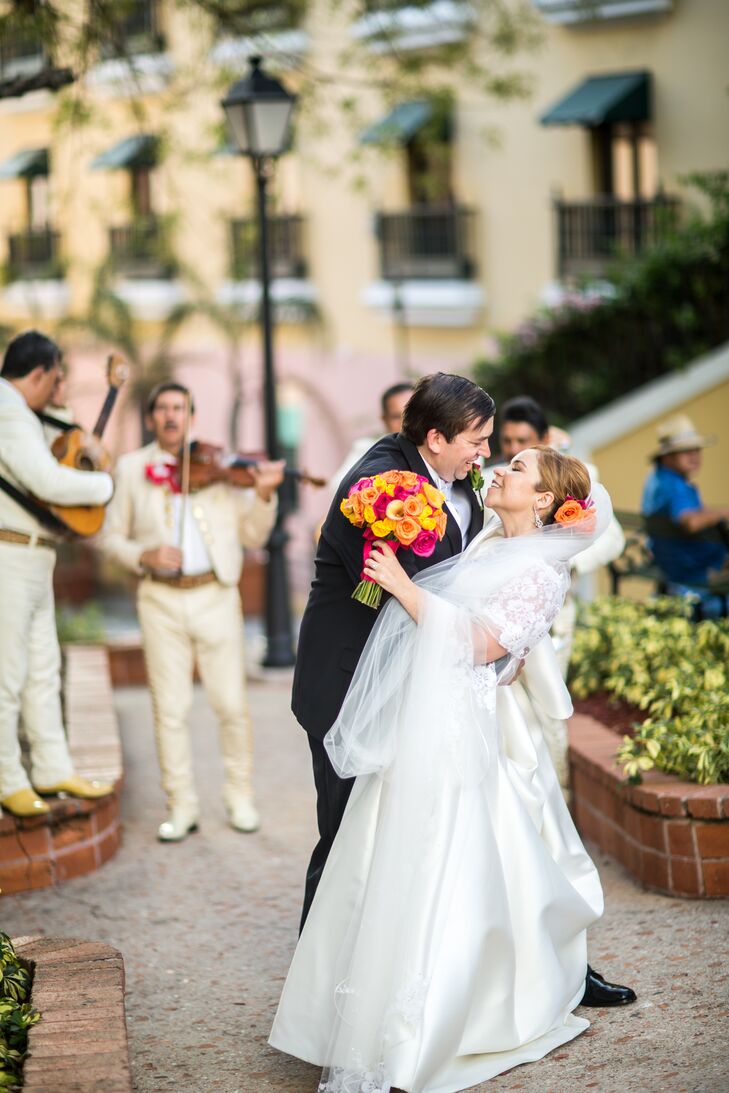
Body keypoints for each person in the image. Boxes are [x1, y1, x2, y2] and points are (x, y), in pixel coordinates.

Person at [270, 448, 633, 1091]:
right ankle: (349, 1014)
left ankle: (429, 1024)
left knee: (442, 857)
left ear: (545, 501)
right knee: (378, 855)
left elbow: (481, 644)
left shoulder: (543, 573)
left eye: (517, 468)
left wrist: (403, 587)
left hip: (456, 723)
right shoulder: (487, 537)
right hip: (427, 711)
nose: (498, 469)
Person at [294, 373, 493, 929]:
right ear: (436, 438)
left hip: (413, 676)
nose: (485, 453)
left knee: (399, 829)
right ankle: (318, 969)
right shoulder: (378, 483)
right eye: (477, 441)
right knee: (345, 835)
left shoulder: (456, 474)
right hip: (348, 678)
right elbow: (416, 577)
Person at [100, 381, 284, 841]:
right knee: (170, 708)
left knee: (230, 704)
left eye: (178, 408)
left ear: (191, 416)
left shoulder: (219, 468)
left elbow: (254, 536)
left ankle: (240, 797)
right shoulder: (130, 467)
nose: (170, 416)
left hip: (216, 596)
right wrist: (143, 555)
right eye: (161, 408)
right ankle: (180, 806)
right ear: (150, 418)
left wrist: (263, 496)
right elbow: (108, 537)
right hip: (160, 600)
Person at [0, 330, 114, 818]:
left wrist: (62, 407)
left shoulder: (22, 412)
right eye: (56, 379)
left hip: (33, 555)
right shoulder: (6, 407)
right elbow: (46, 479)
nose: (57, 387)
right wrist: (107, 484)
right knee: (7, 674)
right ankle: (8, 779)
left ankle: (50, 768)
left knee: (43, 669)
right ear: (41, 373)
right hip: (10, 555)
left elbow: (60, 447)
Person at [642, 414, 728, 617]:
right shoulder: (675, 487)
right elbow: (690, 521)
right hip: (694, 573)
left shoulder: (657, 479)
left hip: (675, 568)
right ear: (667, 456)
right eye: (685, 451)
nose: (694, 456)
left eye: (696, 450)